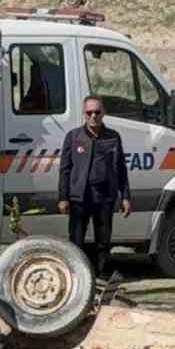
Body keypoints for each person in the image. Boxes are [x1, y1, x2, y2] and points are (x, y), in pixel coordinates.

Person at [58, 96, 132, 277]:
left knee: (103, 242)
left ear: (103, 113)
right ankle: (76, 278)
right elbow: (65, 170)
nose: (93, 116)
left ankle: (101, 276)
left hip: (105, 197)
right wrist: (63, 197)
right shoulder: (73, 137)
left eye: (97, 112)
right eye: (89, 112)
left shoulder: (113, 137)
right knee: (76, 241)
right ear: (83, 114)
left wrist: (126, 197)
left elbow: (121, 168)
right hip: (79, 198)